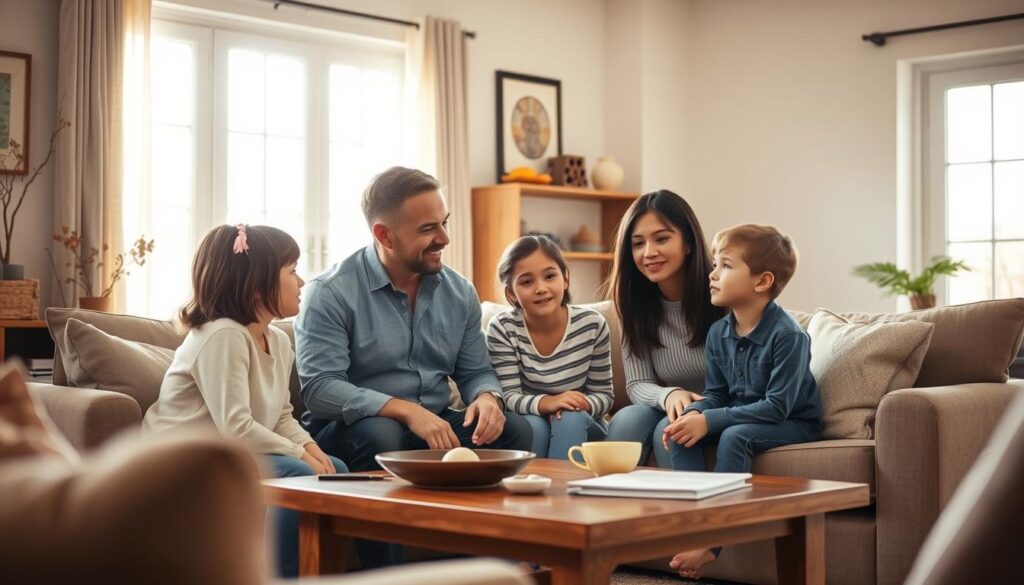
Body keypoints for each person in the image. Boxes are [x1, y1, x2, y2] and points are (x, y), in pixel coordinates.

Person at [142, 224, 345, 578]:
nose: (302, 283)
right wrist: (299, 457)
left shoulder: (279, 341)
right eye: (293, 271)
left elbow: (281, 415)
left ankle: (323, 574)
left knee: (337, 471)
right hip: (186, 459)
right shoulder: (223, 335)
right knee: (298, 476)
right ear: (256, 283)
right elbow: (235, 427)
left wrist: (311, 447)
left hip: (234, 452)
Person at [295, 166, 531, 470]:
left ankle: (469, 519)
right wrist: (403, 410)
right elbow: (320, 388)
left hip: (435, 424)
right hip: (356, 428)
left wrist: (488, 398)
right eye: (428, 229)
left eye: (444, 223)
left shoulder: (459, 292)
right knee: (382, 433)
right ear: (384, 235)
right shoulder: (330, 293)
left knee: (513, 430)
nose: (444, 238)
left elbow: (475, 372)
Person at [663, 224, 822, 579]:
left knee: (736, 436)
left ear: (762, 282)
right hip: (746, 415)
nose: (712, 274)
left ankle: (713, 541)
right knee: (678, 429)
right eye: (714, 264)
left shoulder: (789, 336)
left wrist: (712, 420)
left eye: (725, 265)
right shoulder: (719, 332)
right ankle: (693, 525)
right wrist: (693, 414)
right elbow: (717, 394)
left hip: (792, 423)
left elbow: (777, 406)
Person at [604, 191, 724, 465]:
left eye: (661, 239)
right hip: (674, 407)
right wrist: (669, 394)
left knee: (667, 432)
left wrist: (699, 409)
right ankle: (610, 503)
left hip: (724, 407)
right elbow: (637, 384)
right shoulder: (633, 306)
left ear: (688, 243)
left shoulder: (722, 295)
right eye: (637, 243)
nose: (648, 253)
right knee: (626, 418)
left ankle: (692, 508)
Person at [486, 236, 614, 459]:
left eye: (549, 276)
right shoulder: (503, 328)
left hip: (582, 424)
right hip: (532, 420)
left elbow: (604, 396)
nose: (541, 288)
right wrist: (549, 403)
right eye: (527, 282)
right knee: (533, 426)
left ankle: (560, 491)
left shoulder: (592, 325)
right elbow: (508, 397)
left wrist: (573, 405)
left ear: (565, 278)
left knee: (569, 418)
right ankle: (530, 488)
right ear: (511, 294)